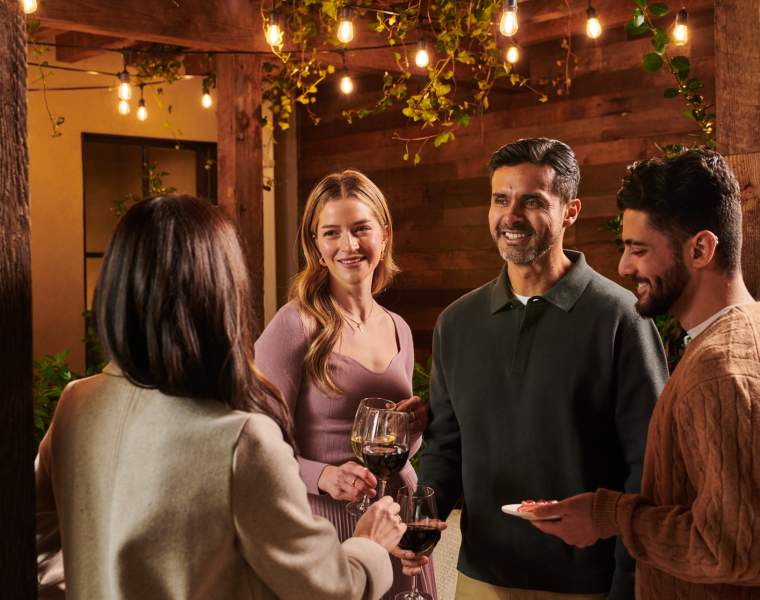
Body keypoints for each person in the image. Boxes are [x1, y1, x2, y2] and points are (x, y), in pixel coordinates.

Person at [35, 195, 406, 600]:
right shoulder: (243, 440)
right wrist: (368, 543)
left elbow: (39, 544)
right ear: (221, 291)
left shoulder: (76, 404)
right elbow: (330, 590)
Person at [527, 149, 760, 599]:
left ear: (700, 249)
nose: (624, 267)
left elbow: (747, 552)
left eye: (639, 250)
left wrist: (612, 516)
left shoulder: (724, 369)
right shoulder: (759, 330)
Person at [405, 138, 669, 599]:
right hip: (481, 578)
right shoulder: (457, 323)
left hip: (587, 584)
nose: (511, 216)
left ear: (570, 211)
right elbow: (445, 447)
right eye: (500, 199)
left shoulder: (620, 317)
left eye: (531, 201)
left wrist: (629, 584)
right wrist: (420, 524)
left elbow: (647, 465)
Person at [255, 170, 436, 599]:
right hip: (329, 524)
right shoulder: (294, 324)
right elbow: (254, 445)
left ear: (385, 235)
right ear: (316, 245)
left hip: (397, 516)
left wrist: (414, 428)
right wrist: (323, 477)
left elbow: (391, 450)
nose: (348, 246)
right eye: (332, 233)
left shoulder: (399, 328)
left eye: (361, 229)